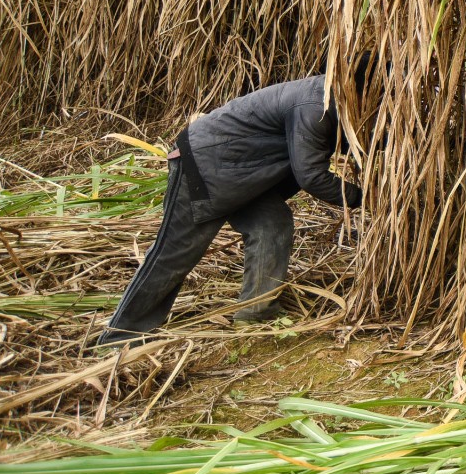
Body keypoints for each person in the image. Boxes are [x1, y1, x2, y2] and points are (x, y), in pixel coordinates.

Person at [95, 63, 368, 348]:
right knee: (176, 251)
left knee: (272, 226)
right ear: (358, 88)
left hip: (244, 172)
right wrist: (364, 198)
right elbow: (310, 175)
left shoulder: (334, 100)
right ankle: (120, 337)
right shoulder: (315, 104)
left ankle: (255, 313)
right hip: (205, 163)